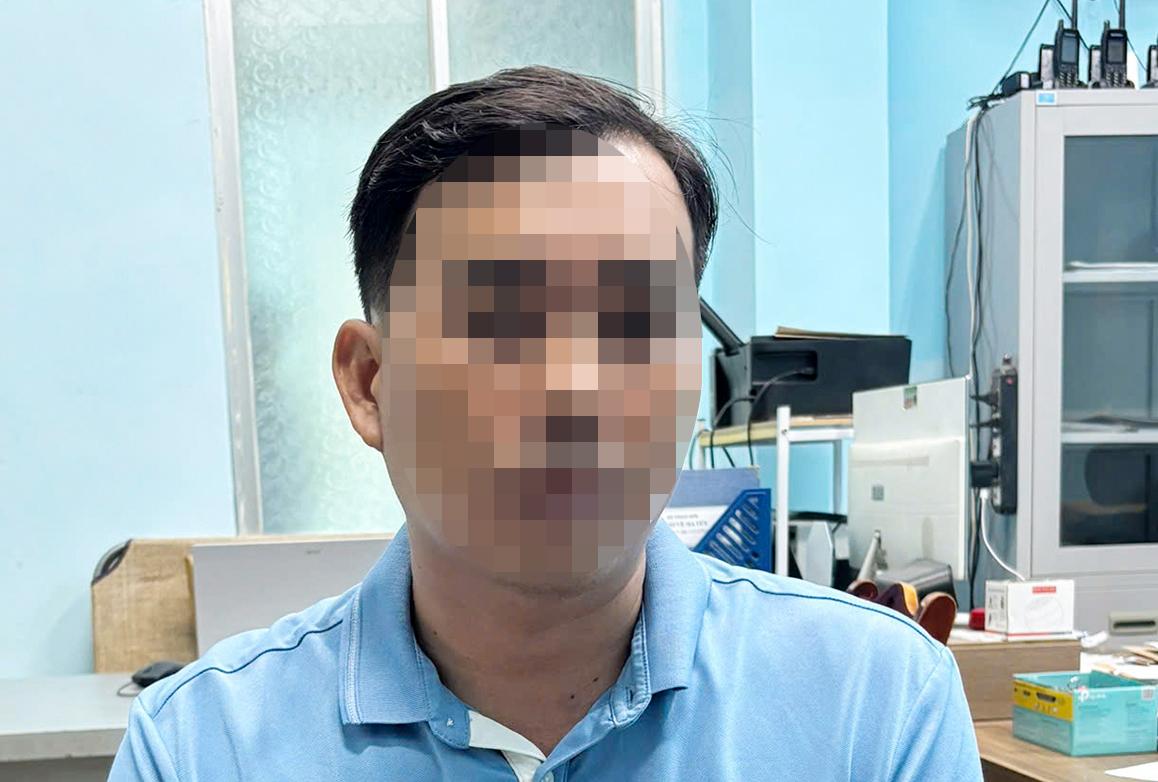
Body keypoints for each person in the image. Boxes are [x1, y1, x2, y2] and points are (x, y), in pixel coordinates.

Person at [109, 65, 982, 781]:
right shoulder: (204, 749)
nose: (574, 388)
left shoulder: (873, 707)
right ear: (371, 384)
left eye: (635, 321)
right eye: (500, 320)